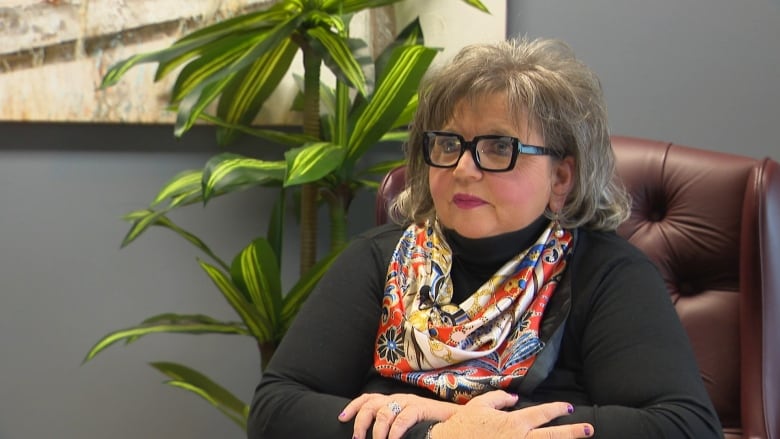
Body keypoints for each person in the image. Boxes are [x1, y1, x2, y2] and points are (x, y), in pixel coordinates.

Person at [247, 37, 722, 439]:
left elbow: (685, 426)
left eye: (499, 147)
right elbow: (275, 410)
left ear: (561, 178)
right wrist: (436, 433)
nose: (463, 169)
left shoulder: (606, 273)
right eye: (449, 144)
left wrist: (479, 426)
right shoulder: (380, 258)